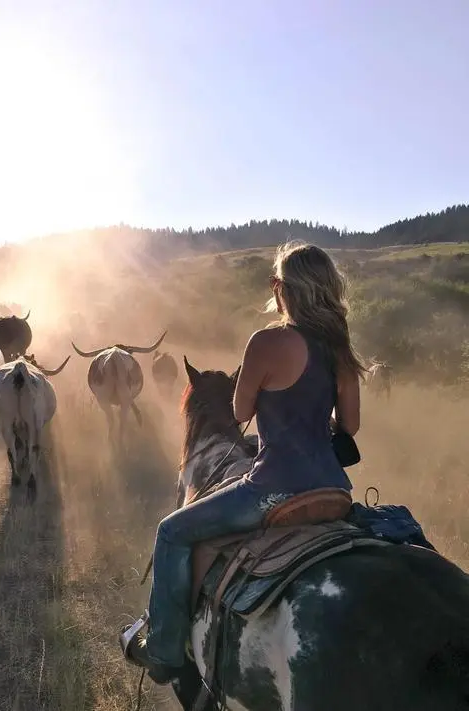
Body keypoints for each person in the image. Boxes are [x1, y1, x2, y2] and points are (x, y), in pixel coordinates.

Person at [122, 241, 366, 684]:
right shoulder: (339, 349)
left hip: (273, 489)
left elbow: (238, 413)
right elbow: (350, 424)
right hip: (334, 491)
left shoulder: (267, 342)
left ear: (281, 290)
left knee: (171, 532)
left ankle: (162, 651)